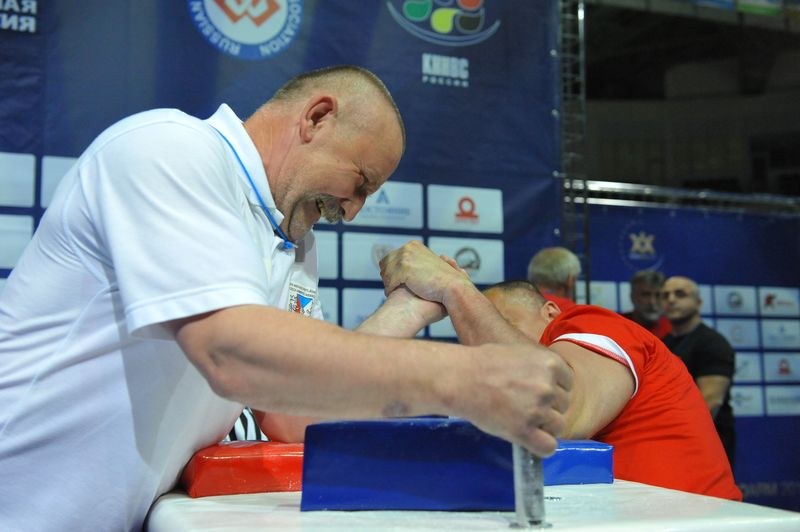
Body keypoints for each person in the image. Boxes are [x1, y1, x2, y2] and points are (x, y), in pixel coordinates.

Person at [0, 66, 572, 530]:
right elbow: (232, 352)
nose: (352, 211)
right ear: (317, 117)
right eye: (361, 183)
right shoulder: (170, 149)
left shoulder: (291, 238)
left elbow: (291, 415)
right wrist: (467, 379)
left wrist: (414, 304)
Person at [379, 241, 741, 501]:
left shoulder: (593, 324)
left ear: (551, 312)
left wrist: (455, 289)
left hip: (697, 517)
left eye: (499, 323)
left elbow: (556, 409)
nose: (489, 348)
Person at [661, 276, 736, 467]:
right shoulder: (663, 344)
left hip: (706, 446)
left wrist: (678, 443)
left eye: (680, 294)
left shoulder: (713, 343)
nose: (671, 299)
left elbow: (710, 402)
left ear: (698, 302)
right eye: (665, 295)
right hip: (671, 443)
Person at [622, 269, 672, 338]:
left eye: (658, 295)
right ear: (632, 296)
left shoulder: (673, 329)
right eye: (646, 295)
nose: (652, 302)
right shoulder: (618, 325)